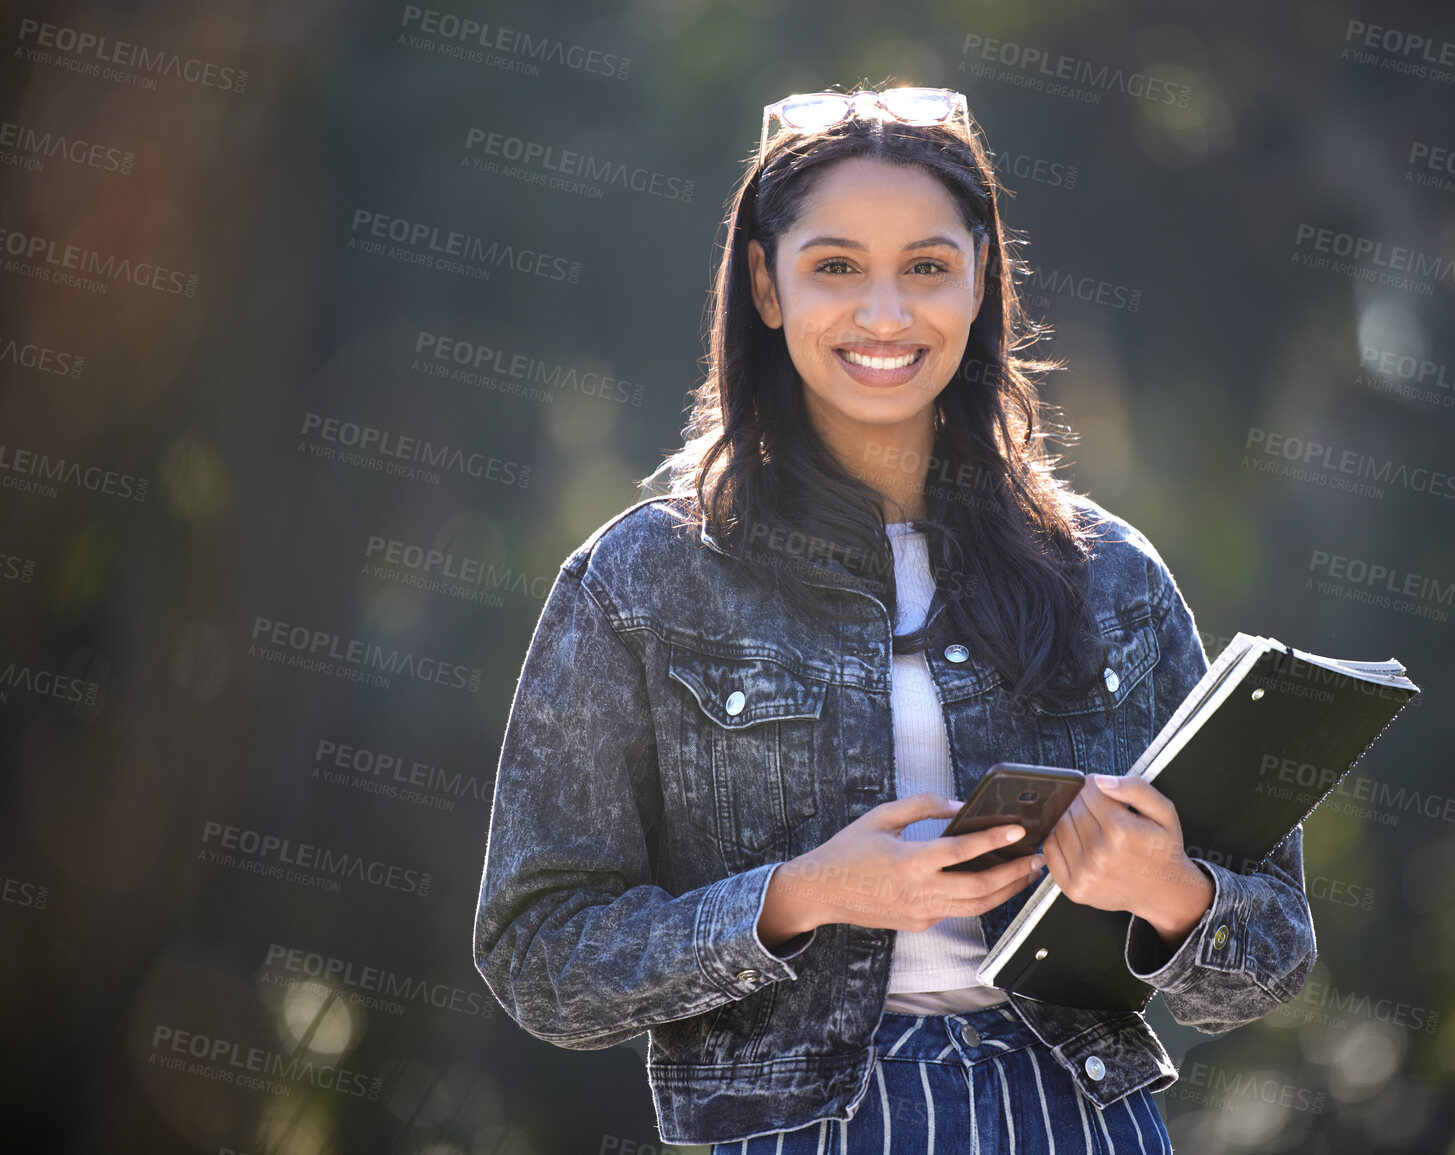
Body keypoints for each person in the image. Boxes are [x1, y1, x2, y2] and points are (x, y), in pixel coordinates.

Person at [471, 83, 1318, 1153]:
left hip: (1074, 1121)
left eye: (926, 267)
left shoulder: (1110, 574)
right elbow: (540, 961)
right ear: (765, 287)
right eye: (836, 267)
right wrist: (801, 896)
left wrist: (1173, 891)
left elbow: (1273, 953)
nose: (884, 314)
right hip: (793, 1130)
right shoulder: (641, 581)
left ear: (980, 284)